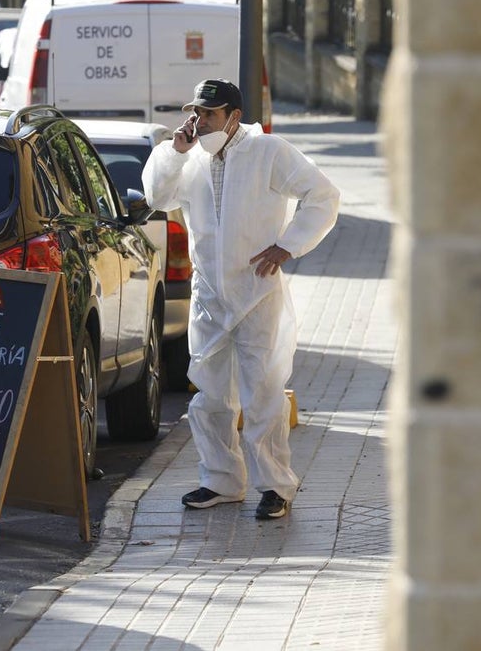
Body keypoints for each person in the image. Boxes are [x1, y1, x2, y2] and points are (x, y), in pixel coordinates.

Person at [142, 78, 340, 520]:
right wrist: (174, 152)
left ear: (233, 116)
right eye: (195, 112)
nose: (199, 122)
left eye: (209, 114)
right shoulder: (187, 155)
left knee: (263, 396)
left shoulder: (268, 151)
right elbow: (157, 195)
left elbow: (322, 195)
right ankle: (221, 480)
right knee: (209, 396)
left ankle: (276, 486)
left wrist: (289, 244)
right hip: (210, 293)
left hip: (257, 292)